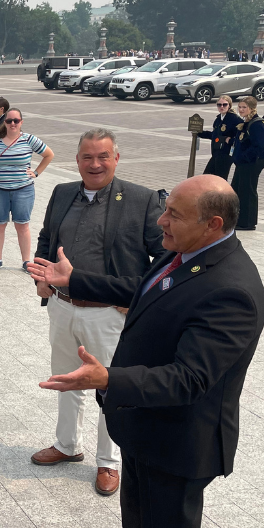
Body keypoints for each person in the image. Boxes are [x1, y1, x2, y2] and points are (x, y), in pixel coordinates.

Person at [29, 175, 264, 528]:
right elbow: (142, 288)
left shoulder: (233, 289)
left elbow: (189, 379)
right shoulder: (186, 255)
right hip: (146, 423)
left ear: (214, 223)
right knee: (141, 518)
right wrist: (74, 280)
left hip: (181, 439)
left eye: (173, 214)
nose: (161, 220)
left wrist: (109, 379)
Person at [30, 129, 166, 497]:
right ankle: (67, 444)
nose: (95, 164)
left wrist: (137, 299)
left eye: (103, 156)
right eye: (87, 157)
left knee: (110, 387)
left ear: (116, 159)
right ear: (76, 160)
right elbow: (46, 239)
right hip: (62, 307)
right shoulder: (61, 193)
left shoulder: (141, 199)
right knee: (66, 378)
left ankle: (109, 462)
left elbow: (166, 257)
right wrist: (40, 278)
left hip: (109, 314)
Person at [0, 108, 54, 272]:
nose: (12, 124)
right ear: (4, 122)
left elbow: (49, 154)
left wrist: (36, 172)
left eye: (16, 121)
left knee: (22, 225)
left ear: (21, 122)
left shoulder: (29, 140)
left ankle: (26, 261)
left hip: (23, 190)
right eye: (9, 121)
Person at [230, 95, 264, 231]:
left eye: (244, 107)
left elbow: (259, 146)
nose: (241, 110)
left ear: (252, 108)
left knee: (248, 191)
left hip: (252, 163)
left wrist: (244, 158)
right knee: (237, 189)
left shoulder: (258, 124)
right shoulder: (246, 121)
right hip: (243, 163)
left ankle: (248, 223)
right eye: (240, 107)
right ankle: (239, 219)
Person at [199, 95, 240, 180]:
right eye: (219, 105)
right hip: (216, 152)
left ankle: (222, 193)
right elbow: (215, 135)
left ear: (229, 105)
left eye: (224, 104)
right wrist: (200, 133)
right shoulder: (218, 119)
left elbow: (241, 136)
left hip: (226, 154)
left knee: (220, 178)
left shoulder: (234, 119)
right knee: (207, 177)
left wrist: (231, 140)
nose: (222, 107)